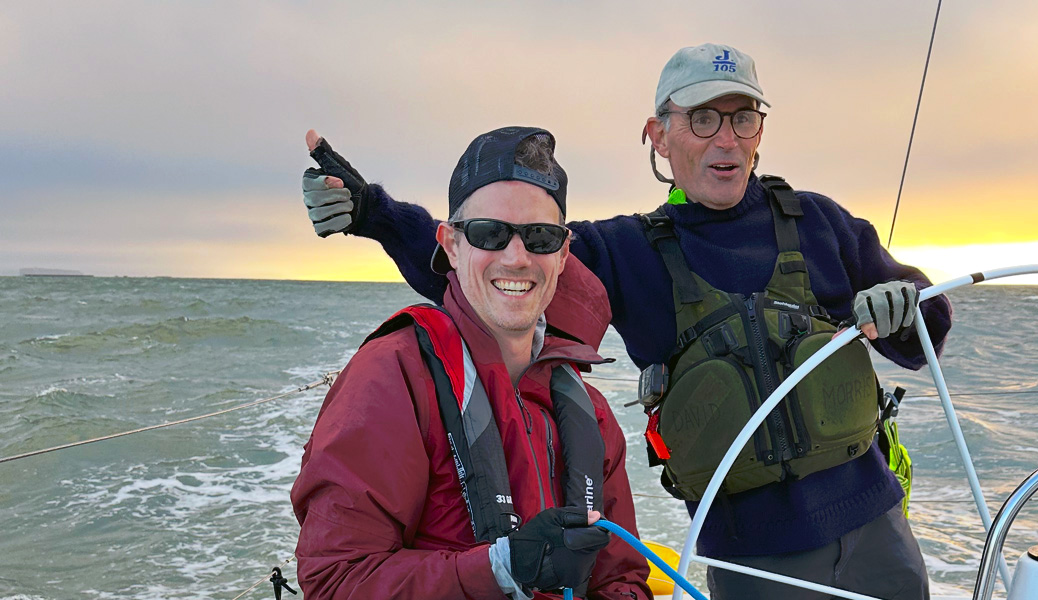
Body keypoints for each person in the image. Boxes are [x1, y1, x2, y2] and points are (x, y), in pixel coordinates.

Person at [302, 44, 953, 600]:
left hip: (878, 531)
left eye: (743, 116)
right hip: (751, 558)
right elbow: (499, 262)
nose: (726, 139)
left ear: (761, 129)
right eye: (701, 119)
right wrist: (374, 213)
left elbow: (929, 330)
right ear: (658, 135)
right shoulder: (625, 251)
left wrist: (904, 307)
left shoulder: (822, 222)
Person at [291, 126, 651, 600]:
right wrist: (499, 568)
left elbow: (621, 578)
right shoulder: (391, 379)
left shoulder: (592, 413)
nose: (517, 258)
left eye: (540, 237)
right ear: (451, 245)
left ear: (563, 255)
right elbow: (336, 582)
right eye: (490, 233)